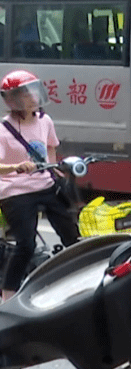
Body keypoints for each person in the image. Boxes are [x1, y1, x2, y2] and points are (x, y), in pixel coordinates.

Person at [0, 70, 79, 302]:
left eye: (35, 91)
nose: (34, 97)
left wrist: (54, 169)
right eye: (27, 94)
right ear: (14, 99)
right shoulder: (3, 131)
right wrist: (16, 167)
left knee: (71, 235)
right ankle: (8, 293)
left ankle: (77, 276)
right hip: (15, 190)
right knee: (26, 243)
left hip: (44, 183)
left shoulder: (45, 120)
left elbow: (50, 147)